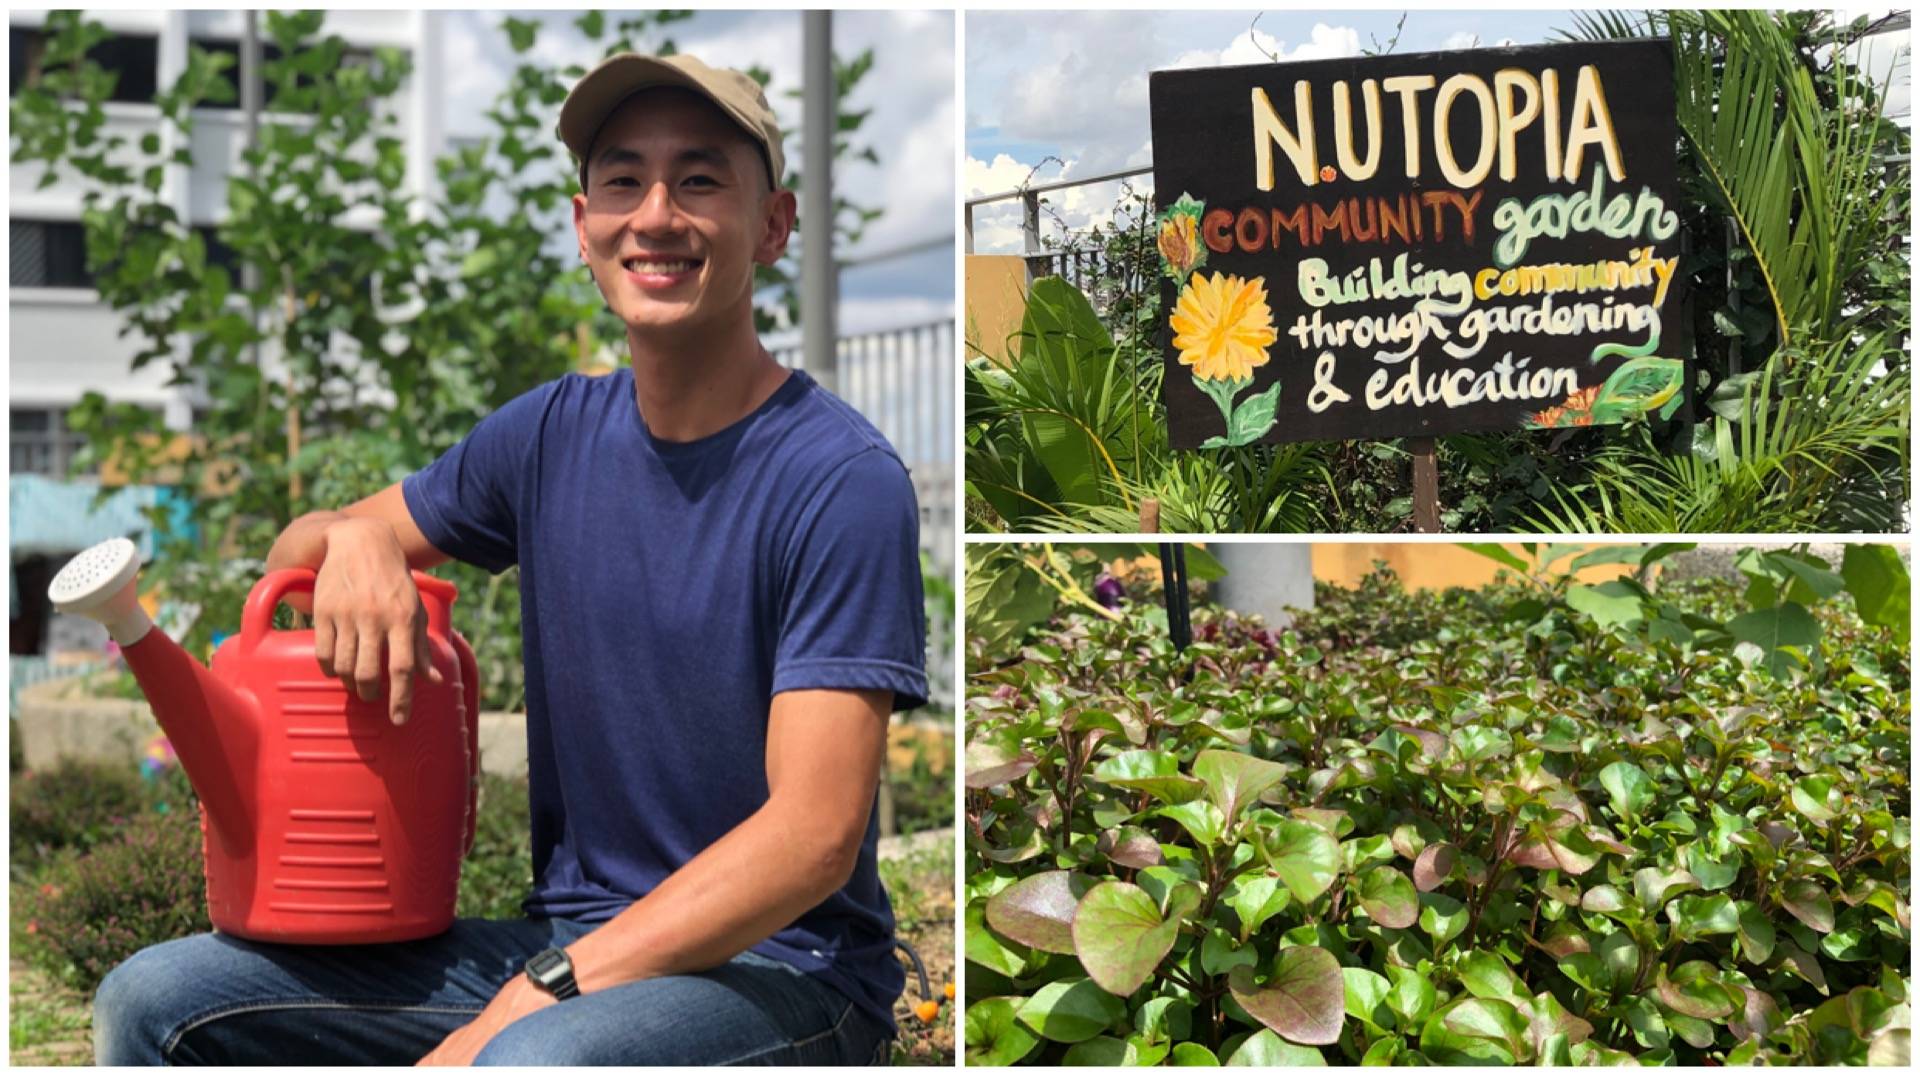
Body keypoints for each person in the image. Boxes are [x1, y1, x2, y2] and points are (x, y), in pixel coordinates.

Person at [91, 51, 927, 1066]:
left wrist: (533, 1000)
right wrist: (357, 536)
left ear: (774, 224)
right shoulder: (550, 434)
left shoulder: (839, 478)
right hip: (562, 942)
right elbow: (297, 550)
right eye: (623, 179)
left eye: (700, 178)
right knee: (157, 999)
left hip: (785, 972)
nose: (655, 213)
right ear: (585, 229)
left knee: (529, 1062)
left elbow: (811, 839)